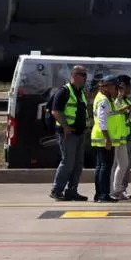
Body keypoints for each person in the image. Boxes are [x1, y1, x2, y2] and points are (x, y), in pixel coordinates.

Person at [48, 65, 90, 201]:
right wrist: (65, 126)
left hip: (79, 133)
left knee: (78, 164)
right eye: (83, 75)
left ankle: (72, 191)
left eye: (85, 74)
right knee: (67, 162)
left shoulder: (80, 92)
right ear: (75, 75)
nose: (85, 77)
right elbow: (55, 111)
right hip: (68, 133)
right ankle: (56, 190)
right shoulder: (64, 91)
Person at [90, 75, 121, 203]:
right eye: (115, 87)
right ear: (108, 87)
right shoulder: (104, 101)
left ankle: (99, 194)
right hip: (104, 138)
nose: (117, 90)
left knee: (101, 166)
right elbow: (102, 121)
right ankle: (103, 194)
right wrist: (107, 139)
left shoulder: (104, 98)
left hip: (101, 137)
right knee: (105, 167)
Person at [111, 74, 131, 201]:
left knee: (125, 165)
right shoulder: (116, 99)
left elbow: (128, 116)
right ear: (123, 87)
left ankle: (120, 189)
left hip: (126, 135)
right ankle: (115, 189)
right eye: (129, 86)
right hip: (118, 136)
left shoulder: (127, 100)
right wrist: (126, 107)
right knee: (119, 165)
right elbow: (115, 112)